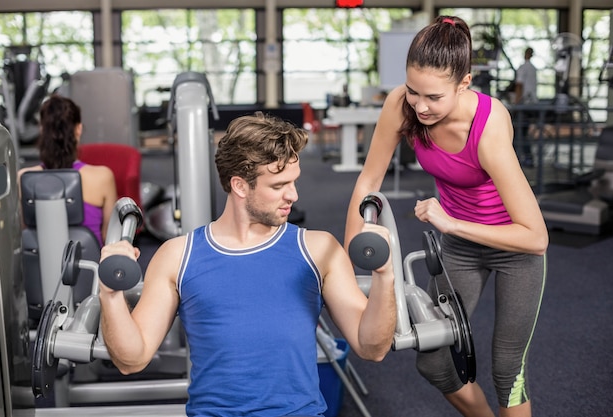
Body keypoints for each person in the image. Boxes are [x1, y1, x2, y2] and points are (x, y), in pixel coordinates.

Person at [98, 112, 396, 416]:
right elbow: (131, 360)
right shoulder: (177, 256)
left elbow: (371, 347)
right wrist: (109, 295)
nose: (293, 195)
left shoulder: (318, 249)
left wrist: (384, 275)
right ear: (240, 186)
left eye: (294, 181)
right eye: (279, 185)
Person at [344, 16, 548, 417]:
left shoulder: (487, 128)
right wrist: (354, 259)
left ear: (465, 83)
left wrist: (451, 223)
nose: (419, 105)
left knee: (508, 370)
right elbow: (368, 177)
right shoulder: (402, 105)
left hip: (514, 250)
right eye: (413, 91)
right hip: (459, 248)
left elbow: (536, 237)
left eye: (434, 97)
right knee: (434, 358)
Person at [17, 94, 117, 245]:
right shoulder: (102, 177)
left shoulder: (25, 178)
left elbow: (24, 235)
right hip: (90, 267)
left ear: (42, 130)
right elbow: (110, 239)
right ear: (79, 129)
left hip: (38, 268)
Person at [514, 47, 538, 167]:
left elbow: (519, 85)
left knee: (519, 132)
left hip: (523, 104)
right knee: (524, 132)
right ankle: (527, 158)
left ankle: (521, 159)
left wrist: (516, 102)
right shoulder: (533, 69)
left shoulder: (523, 68)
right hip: (531, 103)